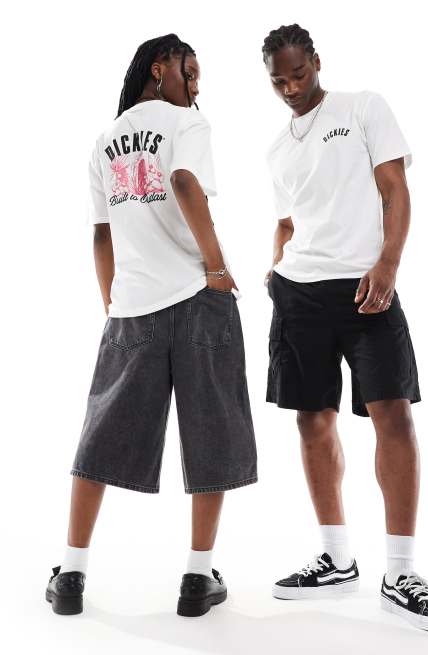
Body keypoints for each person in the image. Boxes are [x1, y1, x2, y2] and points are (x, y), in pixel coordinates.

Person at [45, 33, 257, 618]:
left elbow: (101, 234)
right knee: (211, 432)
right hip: (196, 295)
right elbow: (185, 182)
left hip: (133, 305)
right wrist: (216, 267)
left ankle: (71, 574)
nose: (196, 85)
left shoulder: (105, 140)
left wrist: (112, 300)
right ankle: (196, 577)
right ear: (159, 67)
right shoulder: (187, 123)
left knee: (100, 433)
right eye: (191, 72)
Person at [261, 23, 428, 633]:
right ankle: (336, 559)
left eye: (298, 73)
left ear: (316, 61)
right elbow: (287, 222)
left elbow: (395, 189)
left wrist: (388, 264)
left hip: (367, 289)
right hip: (299, 294)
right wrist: (274, 272)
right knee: (311, 420)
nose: (291, 88)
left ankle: (401, 573)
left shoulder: (363, 108)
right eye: (278, 81)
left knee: (392, 414)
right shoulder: (278, 148)